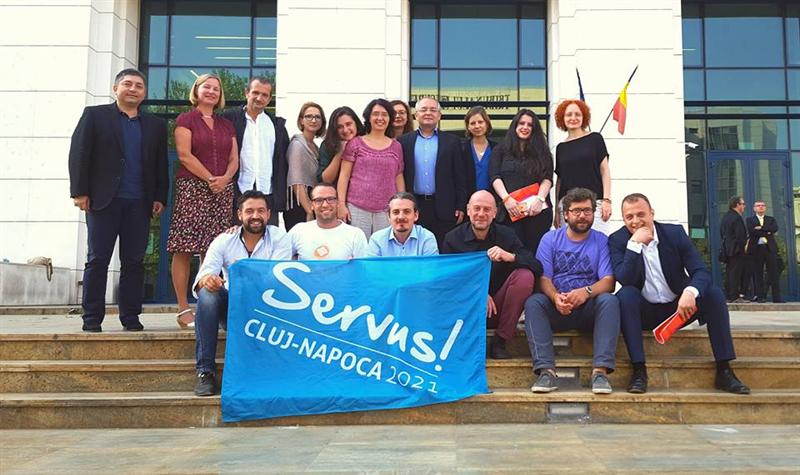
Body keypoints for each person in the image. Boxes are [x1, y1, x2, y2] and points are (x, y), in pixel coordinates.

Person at [609, 193, 750, 395]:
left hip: (679, 308)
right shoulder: (618, 240)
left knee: (714, 294)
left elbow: (700, 271)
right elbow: (625, 278)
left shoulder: (673, 234)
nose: (635, 221)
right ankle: (639, 371)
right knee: (626, 295)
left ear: (652, 213)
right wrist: (634, 245)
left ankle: (724, 370)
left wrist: (690, 292)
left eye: (641, 214)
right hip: (644, 312)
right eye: (629, 217)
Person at [68, 68, 168, 332]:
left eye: (139, 86)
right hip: (103, 201)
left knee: (134, 262)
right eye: (127, 84)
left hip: (139, 203)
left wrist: (160, 196)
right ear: (116, 89)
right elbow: (79, 154)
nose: (133, 89)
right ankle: (91, 318)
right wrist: (79, 191)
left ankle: (130, 317)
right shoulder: (95, 116)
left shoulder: (155, 125)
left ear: (144, 93)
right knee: (97, 259)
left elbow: (160, 163)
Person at [192, 190, 292, 396]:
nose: (255, 216)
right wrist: (208, 280)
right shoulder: (224, 240)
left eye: (261, 211)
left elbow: (277, 280)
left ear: (268, 214)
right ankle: (205, 371)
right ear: (239, 214)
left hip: (265, 309)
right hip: (232, 307)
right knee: (207, 295)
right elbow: (202, 278)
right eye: (249, 211)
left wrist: (246, 269)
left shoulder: (280, 238)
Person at [524, 187, 619, 394]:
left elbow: (609, 282)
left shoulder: (601, 240)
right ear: (566, 214)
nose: (582, 216)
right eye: (576, 211)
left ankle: (600, 372)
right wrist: (555, 297)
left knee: (610, 301)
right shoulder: (550, 239)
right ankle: (546, 371)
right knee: (534, 303)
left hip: (588, 310)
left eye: (587, 210)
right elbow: (544, 278)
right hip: (558, 308)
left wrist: (585, 292)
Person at [167, 73, 238, 329]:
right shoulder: (186, 119)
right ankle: (183, 307)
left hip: (222, 190)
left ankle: (209, 306)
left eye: (216, 89)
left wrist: (225, 179)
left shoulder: (226, 124)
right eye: (207, 87)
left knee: (213, 248)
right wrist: (210, 178)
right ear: (196, 90)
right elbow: (184, 155)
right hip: (192, 187)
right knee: (184, 247)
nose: (211, 91)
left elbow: (234, 159)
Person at [443, 190, 541, 360]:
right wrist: (478, 293)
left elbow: (536, 266)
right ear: (468, 210)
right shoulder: (453, 238)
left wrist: (510, 256)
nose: (481, 214)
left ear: (495, 213)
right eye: (477, 208)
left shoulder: (506, 235)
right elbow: (446, 280)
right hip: (467, 310)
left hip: (499, 309)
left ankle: (501, 341)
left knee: (525, 276)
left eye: (487, 209)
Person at [398, 97, 467, 247]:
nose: (428, 113)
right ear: (416, 115)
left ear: (439, 115)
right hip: (413, 204)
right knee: (414, 247)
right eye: (423, 110)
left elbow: (460, 176)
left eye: (433, 110)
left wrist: (461, 205)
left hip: (444, 206)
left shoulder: (452, 141)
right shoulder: (404, 142)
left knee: (443, 248)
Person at [221, 76, 289, 226]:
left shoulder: (276, 126)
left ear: (269, 98)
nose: (259, 98)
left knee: (268, 238)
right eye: (255, 93)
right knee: (236, 238)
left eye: (265, 95)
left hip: (268, 193)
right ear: (247, 93)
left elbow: (282, 162)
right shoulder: (229, 119)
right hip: (237, 193)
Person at [337, 98, 405, 238]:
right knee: (359, 248)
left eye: (384, 114)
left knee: (383, 248)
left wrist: (402, 204)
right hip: (357, 209)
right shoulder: (355, 143)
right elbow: (344, 176)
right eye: (375, 114)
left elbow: (398, 176)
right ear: (368, 117)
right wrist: (341, 204)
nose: (380, 118)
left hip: (387, 210)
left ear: (390, 118)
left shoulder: (396, 146)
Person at [490, 109, 554, 253]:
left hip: (536, 213)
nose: (525, 127)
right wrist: (507, 199)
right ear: (515, 125)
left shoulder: (543, 152)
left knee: (536, 253)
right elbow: (494, 177)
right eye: (522, 123)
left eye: (530, 125)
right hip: (509, 212)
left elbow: (547, 178)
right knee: (511, 252)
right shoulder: (500, 150)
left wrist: (540, 199)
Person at [553, 99, 612, 234]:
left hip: (594, 204)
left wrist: (607, 200)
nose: (573, 118)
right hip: (567, 207)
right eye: (569, 114)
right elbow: (560, 180)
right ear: (562, 118)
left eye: (577, 114)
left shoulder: (595, 139)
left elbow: (605, 170)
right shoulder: (560, 148)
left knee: (598, 241)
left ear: (584, 117)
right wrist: (556, 210)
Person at [288, 184, 368, 260]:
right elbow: (283, 261)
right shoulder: (298, 231)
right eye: (319, 200)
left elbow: (363, 267)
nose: (325, 205)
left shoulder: (355, 235)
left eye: (330, 199)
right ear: (312, 205)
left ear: (338, 203)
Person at [284, 102, 326, 231]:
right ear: (301, 120)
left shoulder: (314, 146)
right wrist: (309, 210)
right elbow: (296, 182)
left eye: (317, 117)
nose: (313, 120)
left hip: (312, 201)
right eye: (308, 116)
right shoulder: (297, 145)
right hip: (299, 204)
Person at [367, 192, 439, 257]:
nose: (401, 217)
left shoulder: (427, 238)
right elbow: (373, 267)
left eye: (407, 211)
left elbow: (430, 267)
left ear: (416, 215)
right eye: (396, 212)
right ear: (389, 216)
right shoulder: (377, 240)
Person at [316, 106, 364, 184]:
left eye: (348, 124)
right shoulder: (327, 145)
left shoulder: (367, 140)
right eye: (340, 127)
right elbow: (325, 180)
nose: (345, 130)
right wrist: (340, 152)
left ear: (356, 123)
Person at [746, 200, 782, 303]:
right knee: (758, 273)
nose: (761, 207)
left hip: (769, 248)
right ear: (754, 208)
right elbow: (752, 231)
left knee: (773, 273)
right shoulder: (750, 220)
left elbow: (774, 229)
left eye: (762, 205)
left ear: (765, 208)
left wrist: (761, 228)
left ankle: (777, 298)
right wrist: (767, 231)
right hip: (756, 249)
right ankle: (760, 297)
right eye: (758, 205)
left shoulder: (771, 219)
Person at [461, 106, 496, 197]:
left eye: (480, 122)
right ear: (468, 127)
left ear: (487, 124)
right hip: (468, 200)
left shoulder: (497, 148)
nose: (477, 126)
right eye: (473, 123)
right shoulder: (461, 149)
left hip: (492, 200)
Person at [720, 196, 748, 302]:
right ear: (737, 205)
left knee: (730, 272)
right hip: (736, 250)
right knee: (735, 273)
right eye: (742, 204)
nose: (744, 206)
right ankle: (734, 296)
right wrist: (742, 246)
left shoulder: (726, 217)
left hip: (728, 249)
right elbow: (740, 236)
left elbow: (722, 233)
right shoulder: (737, 218)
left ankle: (729, 295)